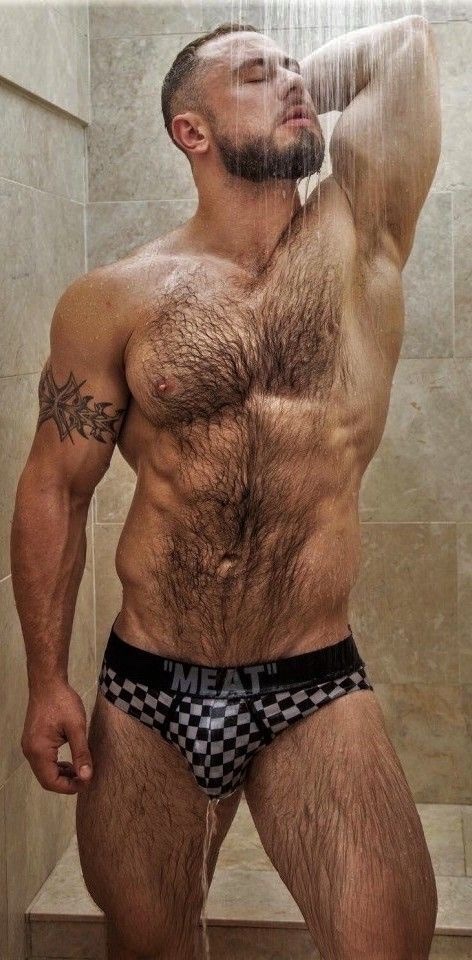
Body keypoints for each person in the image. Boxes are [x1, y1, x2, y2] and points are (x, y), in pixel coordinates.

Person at [12, 14, 441, 960]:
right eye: (256, 74)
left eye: (297, 68)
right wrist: (46, 683)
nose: (292, 82)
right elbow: (56, 489)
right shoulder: (115, 297)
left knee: (386, 947)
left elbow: (407, 47)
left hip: (312, 683)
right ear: (190, 131)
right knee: (152, 947)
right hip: (149, 688)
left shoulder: (361, 238)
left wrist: (284, 85)